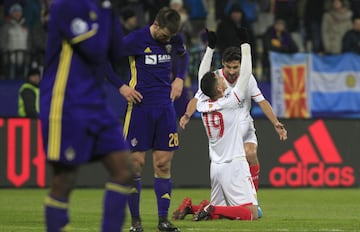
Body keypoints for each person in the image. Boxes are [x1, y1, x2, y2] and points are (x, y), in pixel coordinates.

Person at [39, 0, 143, 231]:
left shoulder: (103, 9)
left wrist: (109, 10)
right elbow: (95, 50)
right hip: (65, 102)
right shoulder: (66, 6)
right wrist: (107, 10)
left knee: (125, 170)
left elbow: (116, 52)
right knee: (63, 180)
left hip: (96, 103)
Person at [179, 29, 287, 216]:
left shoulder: (204, 105)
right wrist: (246, 45)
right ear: (220, 87)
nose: (223, 76)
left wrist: (210, 48)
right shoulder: (231, 101)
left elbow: (202, 77)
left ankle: (193, 207)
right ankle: (214, 207)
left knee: (221, 213)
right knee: (252, 214)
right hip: (233, 163)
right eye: (220, 77)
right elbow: (246, 74)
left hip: (216, 165)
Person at [121, 6, 189, 232]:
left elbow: (182, 55)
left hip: (165, 109)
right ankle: (136, 223)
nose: (167, 39)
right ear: (156, 24)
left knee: (162, 164)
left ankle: (163, 221)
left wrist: (179, 78)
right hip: (139, 109)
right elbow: (105, 62)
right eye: (164, 35)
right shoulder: (134, 40)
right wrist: (121, 87)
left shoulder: (173, 38)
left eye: (170, 36)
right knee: (135, 165)